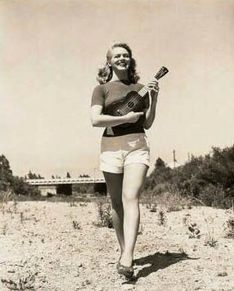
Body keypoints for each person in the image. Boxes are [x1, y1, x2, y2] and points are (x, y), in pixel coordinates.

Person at [90, 43, 159, 278]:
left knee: (131, 197)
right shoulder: (101, 90)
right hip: (110, 146)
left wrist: (155, 98)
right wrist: (124, 118)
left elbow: (147, 123)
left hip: (137, 145)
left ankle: (128, 256)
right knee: (117, 203)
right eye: (117, 56)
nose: (122, 58)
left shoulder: (141, 88)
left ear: (131, 60)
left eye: (126, 55)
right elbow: (95, 120)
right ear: (109, 61)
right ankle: (124, 251)